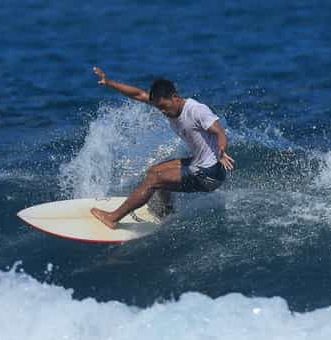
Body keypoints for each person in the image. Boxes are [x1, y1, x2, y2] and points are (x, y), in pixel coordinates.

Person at [90, 67, 234, 229]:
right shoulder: (166, 105)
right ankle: (168, 211)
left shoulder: (196, 110)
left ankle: (113, 218)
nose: (163, 111)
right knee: (153, 171)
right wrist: (109, 83)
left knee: (155, 180)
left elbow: (219, 131)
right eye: (159, 108)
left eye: (164, 106)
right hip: (199, 164)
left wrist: (222, 150)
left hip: (210, 173)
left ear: (175, 97)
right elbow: (138, 94)